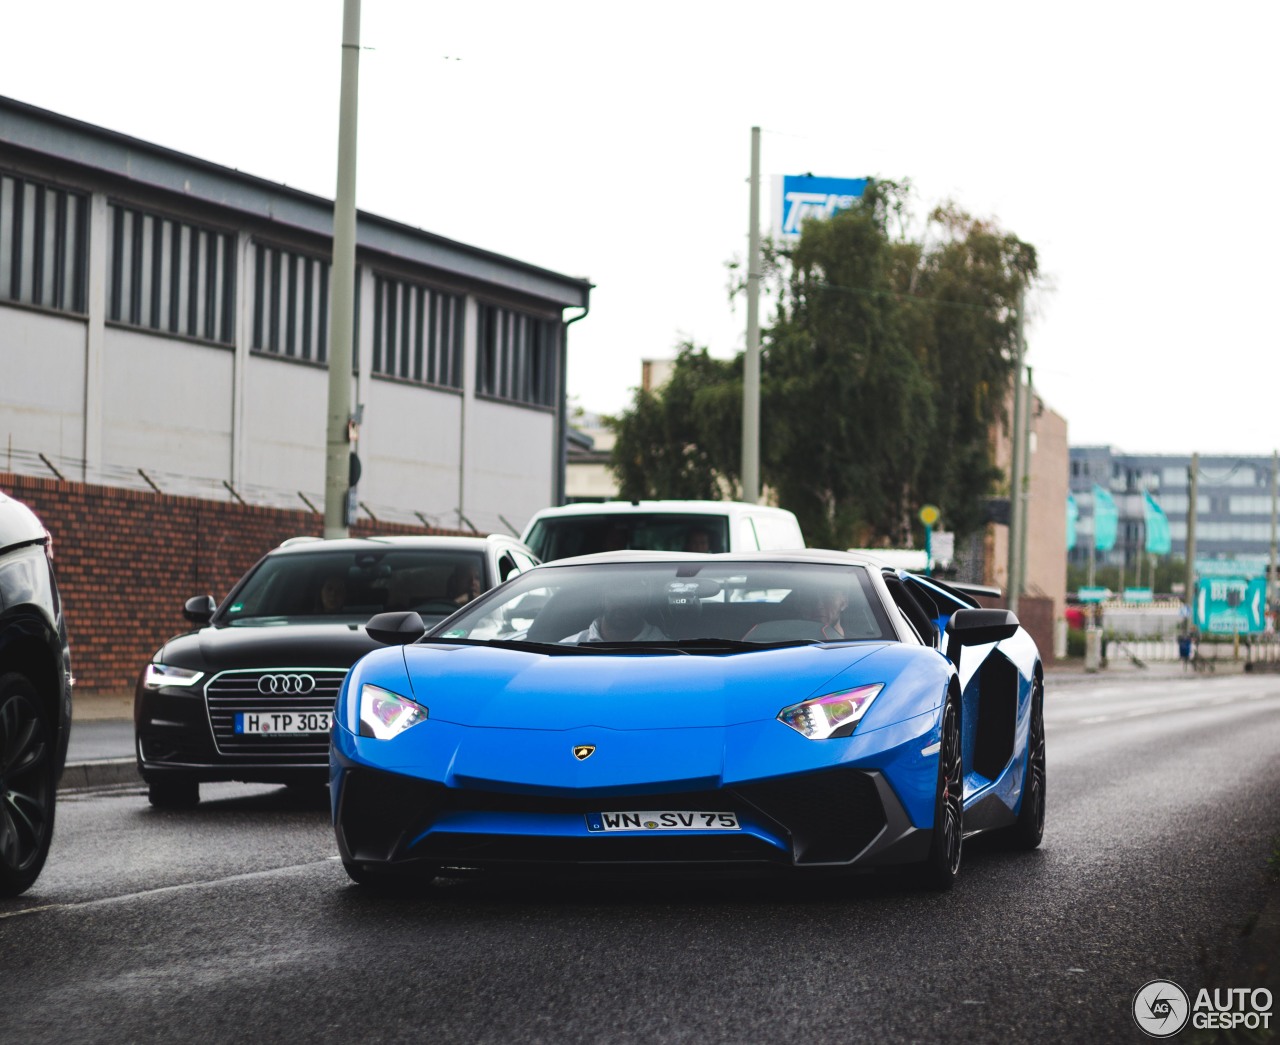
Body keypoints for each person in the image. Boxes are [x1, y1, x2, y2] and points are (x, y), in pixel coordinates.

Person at [563, 591, 668, 644]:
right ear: (603, 600)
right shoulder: (566, 647)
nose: (622, 605)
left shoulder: (670, 652)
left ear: (645, 603)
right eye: (616, 597)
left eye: (631, 598)